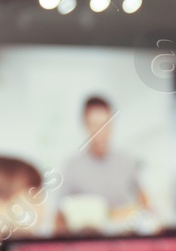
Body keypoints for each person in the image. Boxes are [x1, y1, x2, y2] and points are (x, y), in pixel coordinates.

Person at [55, 95, 149, 233]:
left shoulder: (126, 162)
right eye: (95, 125)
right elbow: (59, 218)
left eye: (106, 125)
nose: (101, 132)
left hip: (123, 240)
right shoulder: (72, 167)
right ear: (85, 126)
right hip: (87, 244)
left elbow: (145, 203)